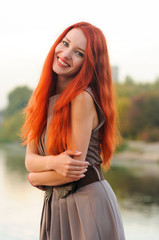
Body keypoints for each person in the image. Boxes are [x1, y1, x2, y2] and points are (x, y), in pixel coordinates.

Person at [21, 22, 125, 240]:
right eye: (65, 43)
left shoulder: (81, 98)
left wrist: (34, 177)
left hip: (86, 203)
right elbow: (30, 160)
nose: (65, 54)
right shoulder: (40, 98)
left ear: (89, 64)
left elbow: (70, 174)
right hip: (55, 205)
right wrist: (51, 163)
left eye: (79, 53)